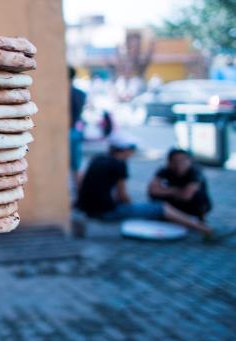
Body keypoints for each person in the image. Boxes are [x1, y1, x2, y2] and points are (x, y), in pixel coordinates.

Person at [75, 135, 214, 236]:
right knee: (161, 208)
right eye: (133, 149)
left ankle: (192, 222)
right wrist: (129, 207)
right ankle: (203, 229)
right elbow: (123, 195)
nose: (134, 152)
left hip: (88, 209)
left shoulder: (98, 159)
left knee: (156, 207)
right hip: (105, 212)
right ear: (125, 150)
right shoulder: (119, 164)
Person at [148, 149, 212, 220]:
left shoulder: (195, 172)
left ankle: (199, 219)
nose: (179, 164)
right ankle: (169, 215)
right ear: (169, 162)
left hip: (191, 204)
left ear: (189, 161)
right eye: (175, 161)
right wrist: (177, 191)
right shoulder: (164, 170)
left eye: (182, 161)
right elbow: (153, 190)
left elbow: (187, 195)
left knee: (198, 196)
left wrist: (165, 190)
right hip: (175, 201)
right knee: (155, 197)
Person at [68, 66, 87, 189]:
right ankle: (80, 195)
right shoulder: (81, 93)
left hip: (70, 132)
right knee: (76, 166)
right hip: (75, 131)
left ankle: (80, 195)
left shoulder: (68, 93)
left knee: (75, 166)